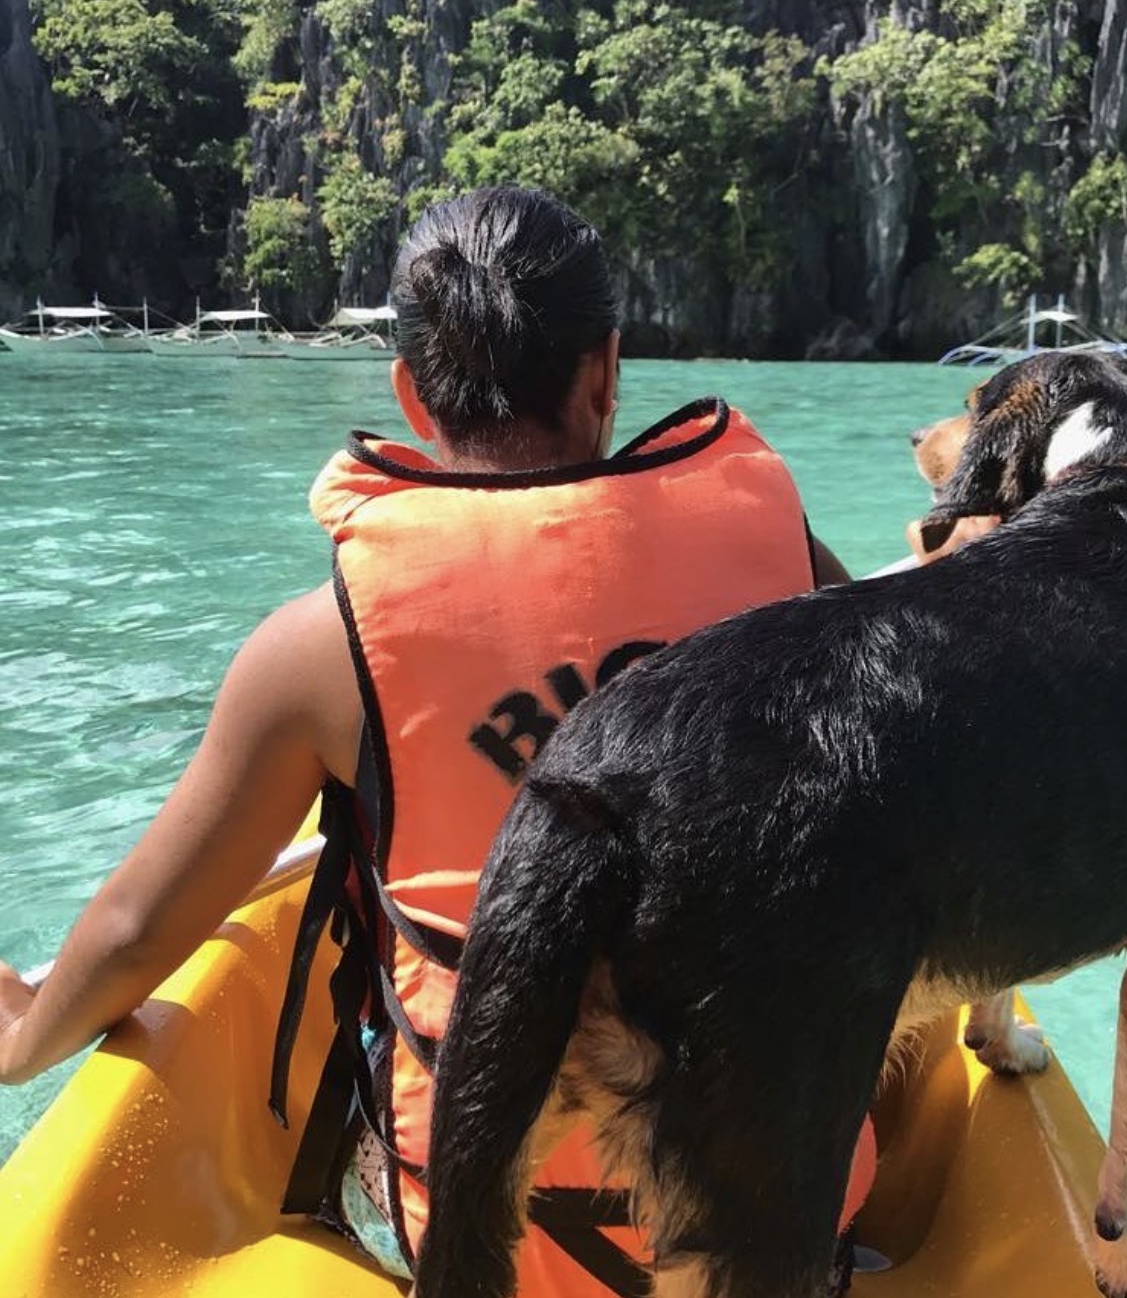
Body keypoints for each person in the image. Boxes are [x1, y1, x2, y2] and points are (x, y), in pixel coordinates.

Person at [0, 186, 866, 1294]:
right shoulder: (786, 563)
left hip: (497, 1244)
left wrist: (26, 1031)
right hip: (785, 1209)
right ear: (606, 372)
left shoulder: (321, 647)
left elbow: (132, 931)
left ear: (410, 392)